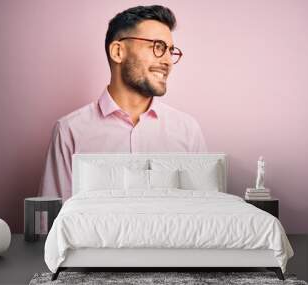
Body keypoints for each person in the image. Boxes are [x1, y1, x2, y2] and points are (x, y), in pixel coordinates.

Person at [39, 5, 207, 201]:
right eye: (158, 47)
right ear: (118, 52)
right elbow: (53, 222)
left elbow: (203, 215)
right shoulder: (69, 132)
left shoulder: (187, 130)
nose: (168, 61)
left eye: (171, 51)